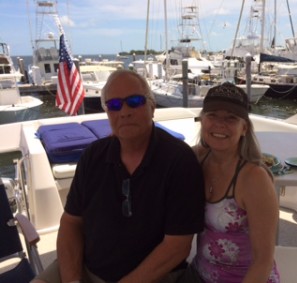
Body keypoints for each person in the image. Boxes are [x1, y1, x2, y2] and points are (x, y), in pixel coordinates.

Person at [32, 69, 205, 283]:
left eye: (134, 101)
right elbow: (71, 223)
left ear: (152, 107)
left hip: (154, 277)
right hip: (86, 269)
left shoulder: (178, 160)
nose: (124, 112)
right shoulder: (93, 156)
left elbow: (177, 246)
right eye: (114, 105)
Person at [181, 82, 280, 283]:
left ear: (244, 128)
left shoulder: (254, 178)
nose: (220, 124)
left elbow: (263, 261)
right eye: (212, 115)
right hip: (200, 275)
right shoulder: (198, 158)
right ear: (202, 120)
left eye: (231, 118)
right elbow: (161, 154)